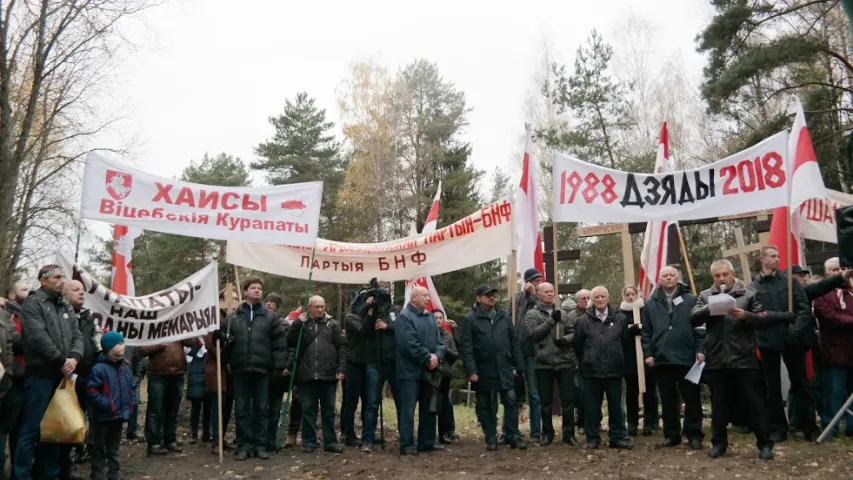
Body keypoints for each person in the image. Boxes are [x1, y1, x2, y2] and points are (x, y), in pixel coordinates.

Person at [691, 259, 773, 460]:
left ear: (732, 274)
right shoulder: (705, 295)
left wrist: (745, 315)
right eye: (717, 276)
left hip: (744, 358)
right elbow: (693, 317)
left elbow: (763, 319)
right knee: (718, 406)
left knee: (755, 404)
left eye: (725, 274)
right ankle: (718, 444)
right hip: (717, 360)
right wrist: (711, 308)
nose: (721, 279)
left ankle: (765, 444)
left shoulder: (749, 294)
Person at [13, 265, 83, 480]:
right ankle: (21, 475)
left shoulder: (65, 306)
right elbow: (37, 337)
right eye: (57, 277)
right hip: (40, 376)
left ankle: (49, 475)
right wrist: (61, 360)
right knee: (32, 429)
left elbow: (77, 336)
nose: (62, 280)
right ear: (43, 281)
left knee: (55, 430)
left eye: (63, 277)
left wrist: (74, 358)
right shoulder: (33, 304)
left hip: (62, 377)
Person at [751, 246, 816, 442]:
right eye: (772, 256)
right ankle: (778, 427)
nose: (777, 259)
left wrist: (794, 330)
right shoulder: (754, 286)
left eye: (778, 255)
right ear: (762, 259)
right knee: (772, 387)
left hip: (791, 339)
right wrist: (782, 316)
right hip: (767, 341)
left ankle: (809, 426)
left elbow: (804, 309)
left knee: (801, 383)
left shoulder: (790, 281)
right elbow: (758, 315)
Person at [218, 277, 288, 460]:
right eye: (253, 288)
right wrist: (224, 351)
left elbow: (279, 343)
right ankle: (243, 445)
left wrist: (278, 367)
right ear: (246, 291)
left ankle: (259, 444)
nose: (257, 291)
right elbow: (224, 345)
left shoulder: (270, 317)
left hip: (262, 369)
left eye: (259, 288)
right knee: (241, 409)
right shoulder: (233, 318)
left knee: (261, 408)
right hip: (240, 369)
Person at [641, 267, 704, 449]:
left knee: (691, 397)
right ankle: (671, 434)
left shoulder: (691, 300)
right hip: (662, 358)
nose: (668, 278)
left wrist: (700, 349)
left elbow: (700, 328)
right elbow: (646, 332)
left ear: (678, 278)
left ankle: (694, 434)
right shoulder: (651, 303)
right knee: (668, 398)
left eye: (671, 275)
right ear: (659, 279)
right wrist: (648, 353)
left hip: (687, 356)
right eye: (664, 276)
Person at [462, 285, 526, 451]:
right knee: (485, 405)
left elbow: (514, 343)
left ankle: (512, 435)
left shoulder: (504, 317)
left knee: (511, 402)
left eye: (493, 295)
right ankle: (491, 437)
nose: (492, 297)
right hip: (483, 370)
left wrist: (520, 366)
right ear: (479, 298)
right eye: (487, 295)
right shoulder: (470, 320)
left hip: (504, 368)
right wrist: (471, 371)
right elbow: (467, 348)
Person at [287, 295, 348, 454]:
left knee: (329, 411)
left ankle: (330, 442)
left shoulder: (333, 325)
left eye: (322, 306)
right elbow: (291, 341)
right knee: (308, 411)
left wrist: (341, 369)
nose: (320, 309)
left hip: (329, 377)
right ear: (309, 307)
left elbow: (342, 348)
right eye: (317, 306)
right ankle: (308, 442)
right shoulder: (302, 324)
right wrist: (296, 323)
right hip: (307, 376)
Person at [574, 285, 632, 450]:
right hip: (591, 372)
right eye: (596, 297)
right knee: (592, 408)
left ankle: (617, 437)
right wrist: (586, 361)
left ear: (608, 298)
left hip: (614, 370)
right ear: (591, 300)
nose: (599, 299)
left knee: (615, 407)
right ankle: (593, 438)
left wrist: (620, 361)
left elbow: (626, 343)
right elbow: (578, 345)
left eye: (602, 296)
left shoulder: (620, 319)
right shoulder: (583, 321)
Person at [525, 282, 579, 447]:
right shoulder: (532, 314)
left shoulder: (563, 313)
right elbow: (534, 334)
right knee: (546, 402)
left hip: (564, 361)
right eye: (546, 292)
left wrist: (565, 340)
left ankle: (569, 433)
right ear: (539, 294)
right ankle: (547, 433)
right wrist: (550, 320)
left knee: (568, 400)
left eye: (552, 291)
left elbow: (573, 333)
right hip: (544, 362)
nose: (550, 294)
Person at [350, 281, 400, 453]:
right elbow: (363, 331)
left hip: (393, 362)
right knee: (372, 403)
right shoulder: (368, 310)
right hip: (374, 362)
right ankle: (368, 439)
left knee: (400, 402)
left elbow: (404, 329)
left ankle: (405, 438)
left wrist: (388, 326)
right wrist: (370, 309)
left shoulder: (395, 310)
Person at [395, 286, 445, 455]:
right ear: (414, 297)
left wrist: (437, 356)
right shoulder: (404, 317)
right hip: (409, 372)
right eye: (425, 296)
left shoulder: (430, 317)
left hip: (429, 371)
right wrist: (427, 358)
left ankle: (427, 442)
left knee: (429, 408)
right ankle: (407, 444)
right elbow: (409, 344)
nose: (428, 299)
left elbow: (439, 342)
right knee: (408, 410)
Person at [60, 280, 98, 480]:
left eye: (83, 291)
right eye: (76, 290)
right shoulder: (59, 314)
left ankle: (83, 456)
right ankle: (62, 467)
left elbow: (94, 340)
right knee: (65, 421)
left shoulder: (87, 316)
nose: (81, 293)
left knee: (86, 418)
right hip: (66, 375)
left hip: (87, 373)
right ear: (64, 294)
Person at [812, 258, 853, 437]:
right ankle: (830, 428)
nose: (841, 272)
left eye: (843, 268)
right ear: (827, 273)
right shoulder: (822, 295)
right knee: (833, 393)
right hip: (834, 352)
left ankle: (852, 428)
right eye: (836, 269)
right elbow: (831, 317)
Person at [87, 331, 134, 480]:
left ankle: (114, 472)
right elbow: (92, 391)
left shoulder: (125, 368)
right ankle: (98, 473)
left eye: (123, 343)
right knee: (98, 446)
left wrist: (129, 405)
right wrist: (107, 404)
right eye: (119, 344)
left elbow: (129, 388)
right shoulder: (99, 369)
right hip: (103, 416)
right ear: (108, 347)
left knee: (114, 447)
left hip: (118, 415)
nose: (123, 346)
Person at [506, 268, 543, 442]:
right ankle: (511, 430)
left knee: (534, 393)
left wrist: (533, 296)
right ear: (528, 282)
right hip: (515, 351)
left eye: (540, 281)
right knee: (511, 393)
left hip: (532, 351)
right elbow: (509, 320)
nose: (538, 284)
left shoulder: (540, 298)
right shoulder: (515, 300)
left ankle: (536, 431)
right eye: (535, 281)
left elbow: (539, 315)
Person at [620, 285, 659, 438]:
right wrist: (628, 332)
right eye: (627, 294)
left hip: (647, 357)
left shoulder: (646, 310)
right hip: (630, 360)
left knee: (650, 391)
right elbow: (618, 334)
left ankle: (650, 421)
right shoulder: (621, 314)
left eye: (633, 294)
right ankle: (632, 423)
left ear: (638, 294)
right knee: (632, 392)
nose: (630, 297)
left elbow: (653, 330)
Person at [1, 284, 28, 480]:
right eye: (24, 289)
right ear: (11, 294)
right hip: (10, 379)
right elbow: (14, 342)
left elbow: (13, 343)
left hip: (19, 380)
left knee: (17, 430)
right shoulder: (7, 314)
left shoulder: (23, 315)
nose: (29, 292)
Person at [263, 293, 292, 451]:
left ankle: (270, 439)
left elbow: (290, 348)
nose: (269, 304)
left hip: (278, 373)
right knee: (260, 407)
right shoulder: (258, 321)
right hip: (262, 371)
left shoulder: (284, 324)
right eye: (267, 301)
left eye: (273, 302)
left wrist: (288, 366)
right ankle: (258, 438)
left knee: (274, 408)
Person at [563, 289, 590, 433]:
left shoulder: (595, 313)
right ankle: (582, 423)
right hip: (578, 360)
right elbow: (570, 341)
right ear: (577, 301)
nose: (586, 301)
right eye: (583, 298)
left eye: (588, 298)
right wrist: (574, 360)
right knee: (581, 394)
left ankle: (594, 422)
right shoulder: (572, 317)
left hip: (595, 359)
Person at [433, 309, 457, 445]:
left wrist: (445, 350)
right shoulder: (427, 334)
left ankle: (443, 433)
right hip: (431, 373)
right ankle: (429, 433)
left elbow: (455, 355)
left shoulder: (448, 336)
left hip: (445, 373)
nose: (438, 320)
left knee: (443, 405)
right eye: (435, 317)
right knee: (430, 405)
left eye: (440, 318)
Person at [186, 337, 210, 444]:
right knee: (196, 407)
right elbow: (188, 356)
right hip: (196, 376)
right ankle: (194, 432)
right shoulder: (192, 341)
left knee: (207, 407)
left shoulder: (208, 339)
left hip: (207, 376)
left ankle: (206, 433)